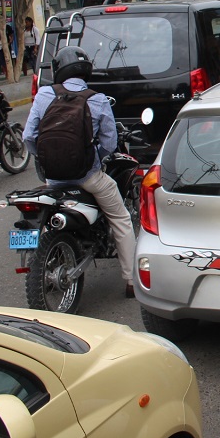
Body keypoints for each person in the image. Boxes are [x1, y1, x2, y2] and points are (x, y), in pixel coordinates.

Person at [22, 46, 136, 298]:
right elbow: (108, 142)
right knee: (121, 218)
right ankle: (130, 279)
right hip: (88, 177)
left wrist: (43, 158)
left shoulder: (43, 95)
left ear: (58, 69)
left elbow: (29, 136)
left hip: (53, 178)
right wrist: (97, 160)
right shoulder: (97, 99)